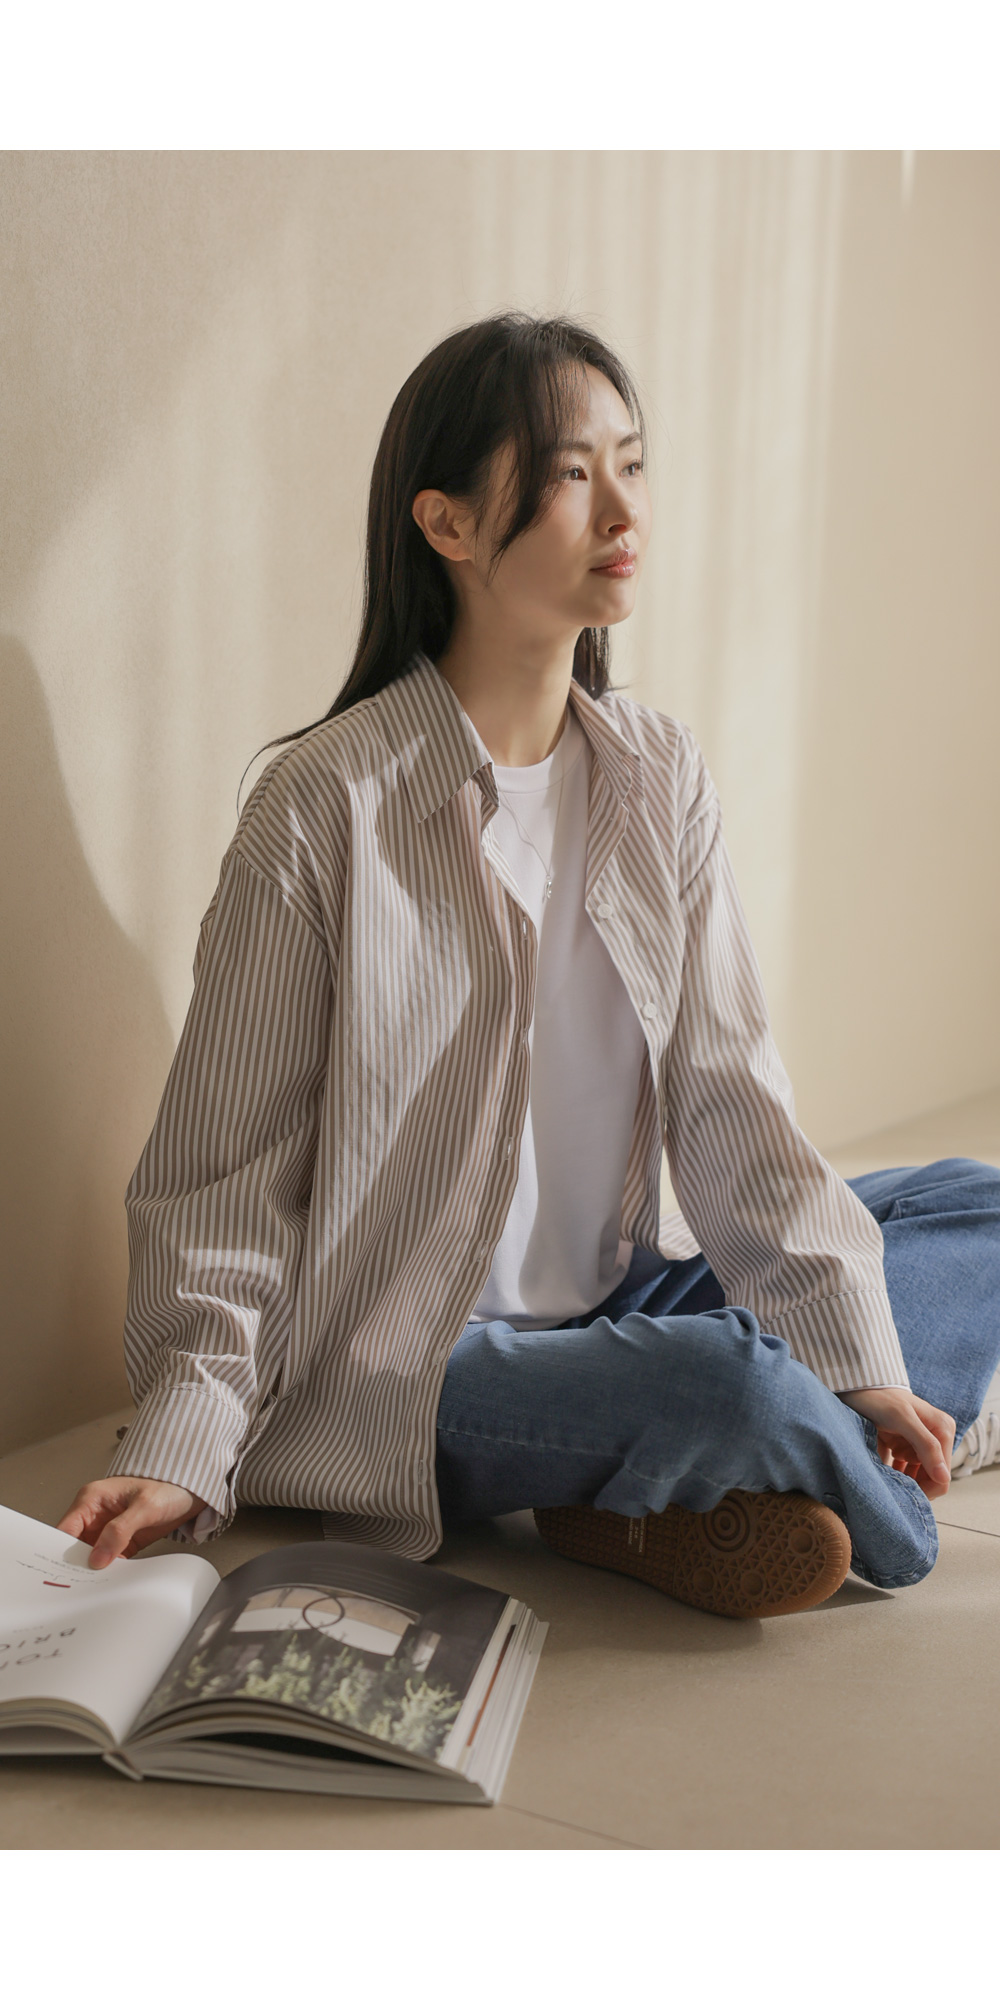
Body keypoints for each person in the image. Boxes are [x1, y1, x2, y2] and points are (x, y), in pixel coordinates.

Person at [58, 312, 1000, 1618]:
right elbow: (227, 1177)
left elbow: (733, 1097)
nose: (623, 507)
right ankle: (850, 1499)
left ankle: (684, 1478)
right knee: (724, 1378)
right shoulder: (324, 806)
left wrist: (859, 1364)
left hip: (623, 1300)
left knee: (971, 1206)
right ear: (446, 524)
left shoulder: (658, 775)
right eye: (570, 472)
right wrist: (184, 1440)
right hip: (418, 1365)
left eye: (633, 462)